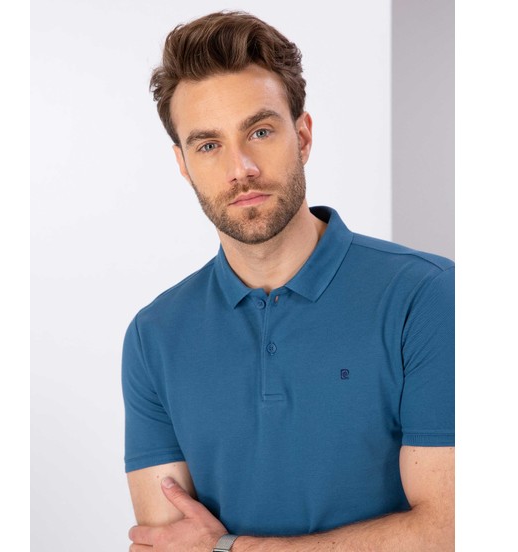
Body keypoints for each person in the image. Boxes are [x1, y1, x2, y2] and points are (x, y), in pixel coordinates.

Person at [122, 11, 454, 552]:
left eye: (260, 131)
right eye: (208, 145)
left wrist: (231, 548)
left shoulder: (427, 297)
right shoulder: (154, 335)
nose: (241, 168)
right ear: (183, 164)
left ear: (302, 136)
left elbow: (452, 531)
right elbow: (168, 544)